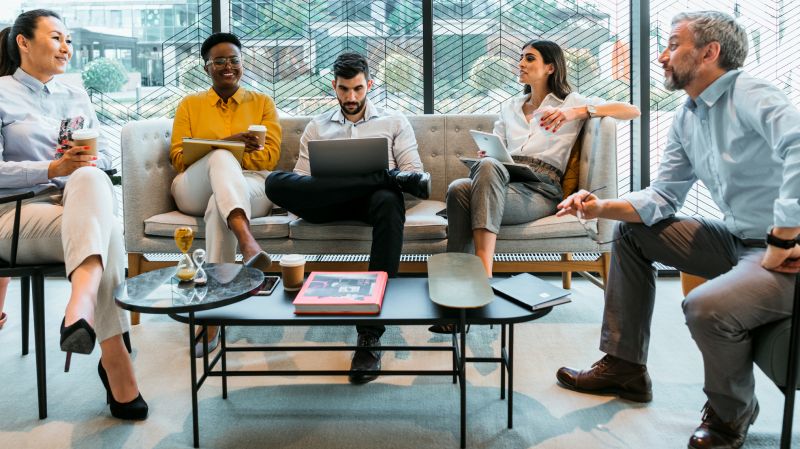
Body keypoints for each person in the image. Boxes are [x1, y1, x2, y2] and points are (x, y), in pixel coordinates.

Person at [554, 11, 799, 449]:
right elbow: (665, 195)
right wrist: (599, 207)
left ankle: (730, 414)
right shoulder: (688, 114)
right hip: (736, 238)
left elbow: (798, 144)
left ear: (710, 52)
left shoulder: (750, 91)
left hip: (782, 249)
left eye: (671, 45)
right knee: (631, 232)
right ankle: (625, 365)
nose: (662, 57)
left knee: (705, 306)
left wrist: (786, 232)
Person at [0, 10, 147, 419]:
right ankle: (115, 361)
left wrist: (80, 168)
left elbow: (93, 162)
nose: (67, 47)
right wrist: (51, 170)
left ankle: (80, 305)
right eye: (56, 38)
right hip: (15, 215)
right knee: (110, 232)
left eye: (68, 40)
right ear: (23, 43)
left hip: (74, 209)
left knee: (90, 176)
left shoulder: (76, 95)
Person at [265, 52, 431, 384]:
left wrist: (383, 182)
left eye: (357, 89)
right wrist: (385, 176)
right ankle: (383, 177)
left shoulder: (394, 121)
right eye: (344, 89)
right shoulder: (317, 126)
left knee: (388, 198)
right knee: (274, 182)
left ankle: (369, 335)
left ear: (369, 84)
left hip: (372, 205)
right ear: (334, 86)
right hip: (326, 204)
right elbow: (302, 181)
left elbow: (415, 175)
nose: (351, 98)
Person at [446, 40, 640, 280]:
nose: (520, 64)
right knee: (459, 187)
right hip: (504, 180)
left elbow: (631, 110)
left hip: (541, 188)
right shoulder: (511, 107)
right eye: (521, 58)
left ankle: (481, 276)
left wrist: (575, 113)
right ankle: (456, 284)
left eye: (529, 58)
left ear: (550, 67)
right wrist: (489, 155)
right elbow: (497, 147)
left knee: (471, 184)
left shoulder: (571, 103)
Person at [170, 32, 281, 357]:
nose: (228, 66)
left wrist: (214, 149)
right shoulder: (190, 105)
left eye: (234, 59)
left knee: (217, 208)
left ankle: (212, 317)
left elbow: (268, 158)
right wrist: (231, 143)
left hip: (250, 186)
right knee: (219, 159)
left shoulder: (262, 103)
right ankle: (247, 241)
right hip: (193, 185)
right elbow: (179, 158)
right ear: (207, 68)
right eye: (220, 61)